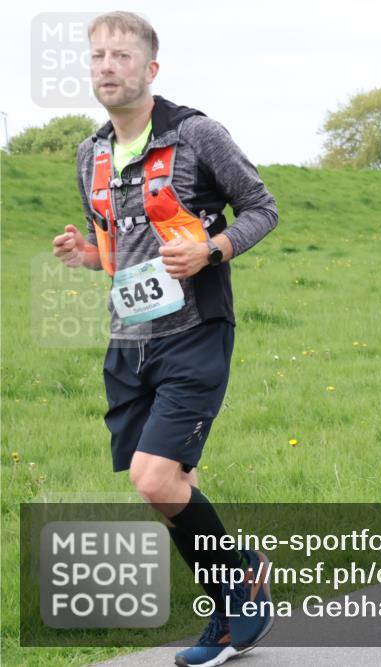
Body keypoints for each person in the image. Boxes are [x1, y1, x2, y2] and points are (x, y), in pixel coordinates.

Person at [51, 12, 276, 666]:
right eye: (98, 56)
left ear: (150, 69)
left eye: (122, 56)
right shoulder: (90, 154)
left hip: (195, 330)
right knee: (173, 485)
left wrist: (212, 249)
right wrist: (86, 255)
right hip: (129, 341)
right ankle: (228, 615)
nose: (107, 66)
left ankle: (242, 580)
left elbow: (262, 208)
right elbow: (117, 250)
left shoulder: (196, 135)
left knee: (154, 480)